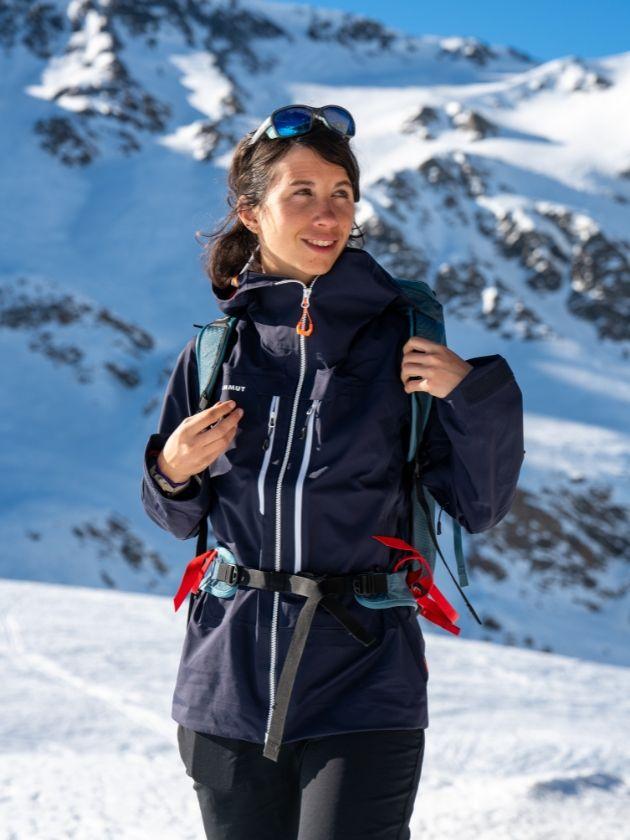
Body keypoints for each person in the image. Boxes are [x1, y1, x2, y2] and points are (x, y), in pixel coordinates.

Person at [141, 104, 524, 839]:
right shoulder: (216, 352)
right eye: (303, 193)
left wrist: (474, 398)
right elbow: (177, 516)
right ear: (251, 213)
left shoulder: (403, 342)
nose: (328, 214)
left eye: (342, 193)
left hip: (366, 677)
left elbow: (477, 506)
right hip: (225, 682)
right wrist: (171, 470)